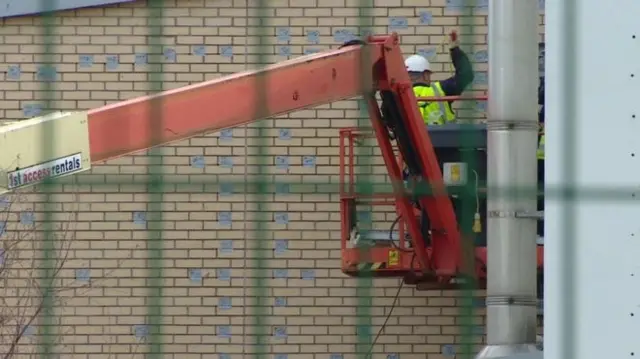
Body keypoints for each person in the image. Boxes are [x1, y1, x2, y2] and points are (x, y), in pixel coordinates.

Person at [404, 30, 475, 125]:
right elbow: (466, 75)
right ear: (425, 75)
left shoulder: (401, 96)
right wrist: (454, 49)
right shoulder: (440, 90)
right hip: (443, 139)